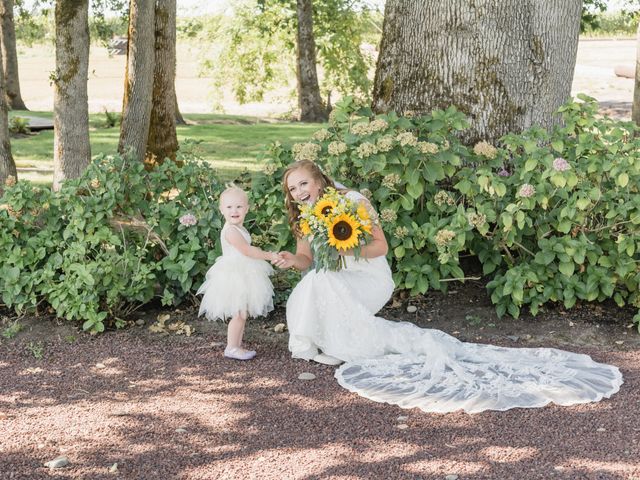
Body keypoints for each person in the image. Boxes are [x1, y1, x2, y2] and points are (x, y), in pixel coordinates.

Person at [273, 160, 623, 414]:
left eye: (303, 183)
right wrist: (293, 259)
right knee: (316, 279)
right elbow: (307, 259)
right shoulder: (306, 217)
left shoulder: (352, 202)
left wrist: (344, 246)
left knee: (324, 280)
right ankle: (333, 342)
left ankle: (348, 345)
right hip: (336, 277)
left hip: (369, 278)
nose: (299, 192)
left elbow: (380, 248)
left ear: (318, 180)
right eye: (293, 188)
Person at [198, 185, 278, 361]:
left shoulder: (239, 228)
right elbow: (247, 251)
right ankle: (232, 347)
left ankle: (236, 345)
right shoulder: (231, 231)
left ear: (247, 209)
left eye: (239, 207)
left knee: (243, 313)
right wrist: (269, 255)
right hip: (235, 276)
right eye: (229, 207)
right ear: (221, 210)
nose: (234, 211)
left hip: (244, 273)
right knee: (240, 313)